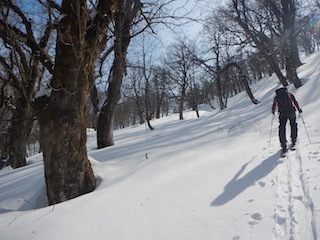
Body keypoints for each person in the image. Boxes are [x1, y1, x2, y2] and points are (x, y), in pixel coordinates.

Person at [271, 87, 302, 151]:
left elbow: (274, 104)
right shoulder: (289, 95)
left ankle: (283, 143)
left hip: (282, 113)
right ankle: (293, 140)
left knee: (282, 127)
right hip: (291, 112)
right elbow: (295, 102)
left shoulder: (276, 97)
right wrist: (299, 109)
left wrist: (273, 111)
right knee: (293, 125)